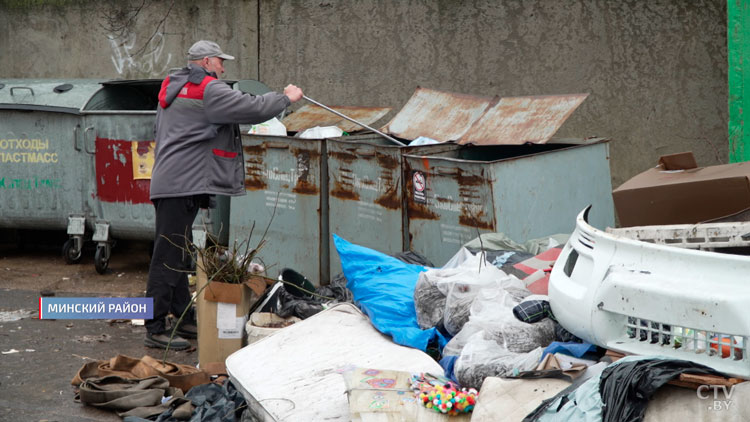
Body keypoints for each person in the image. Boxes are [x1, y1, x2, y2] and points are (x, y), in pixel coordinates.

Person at [144, 40, 303, 349]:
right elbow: (252, 108)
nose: (223, 67)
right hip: (181, 183)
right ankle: (154, 327)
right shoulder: (208, 89)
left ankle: (181, 317)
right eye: (220, 62)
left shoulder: (175, 85)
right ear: (205, 62)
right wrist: (285, 98)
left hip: (174, 180)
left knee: (179, 251)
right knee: (167, 256)